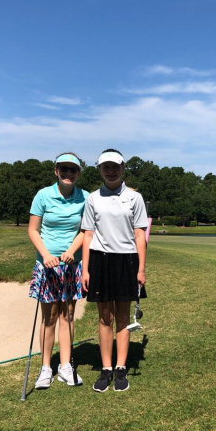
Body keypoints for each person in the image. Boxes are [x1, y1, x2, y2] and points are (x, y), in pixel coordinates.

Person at [81, 149, 148, 392]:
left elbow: (139, 235)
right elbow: (88, 235)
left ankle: (121, 368)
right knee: (104, 317)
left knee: (122, 316)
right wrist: (85, 270)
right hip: (100, 260)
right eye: (106, 167)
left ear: (123, 167)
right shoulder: (93, 198)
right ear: (99, 169)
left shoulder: (134, 198)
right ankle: (106, 368)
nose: (110, 171)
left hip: (127, 260)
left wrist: (141, 269)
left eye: (115, 166)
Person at [28, 152, 88, 389]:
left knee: (68, 314)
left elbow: (85, 230)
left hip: (71, 264)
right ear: (56, 171)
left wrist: (72, 250)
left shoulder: (85, 197)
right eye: (64, 169)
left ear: (78, 173)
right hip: (47, 265)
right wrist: (45, 255)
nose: (68, 173)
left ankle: (65, 365)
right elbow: (33, 230)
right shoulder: (43, 195)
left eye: (73, 170)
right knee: (50, 316)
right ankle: (45, 368)